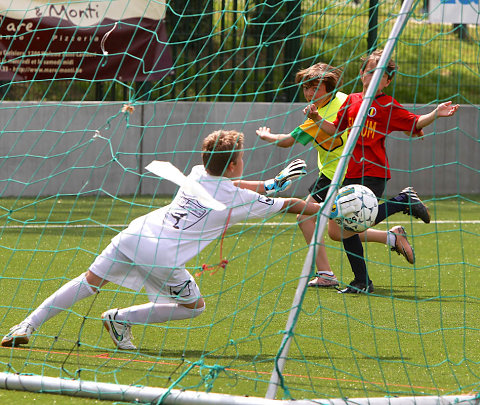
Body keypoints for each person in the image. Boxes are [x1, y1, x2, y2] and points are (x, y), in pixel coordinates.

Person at [1, 130, 319, 350]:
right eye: (241, 156)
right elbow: (290, 205)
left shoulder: (197, 172)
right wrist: (330, 208)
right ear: (235, 162)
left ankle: (25, 325)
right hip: (162, 256)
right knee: (194, 307)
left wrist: (271, 183)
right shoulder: (236, 199)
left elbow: (231, 183)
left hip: (135, 234)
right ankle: (119, 319)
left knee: (88, 283)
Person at [306, 49, 459, 293]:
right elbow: (334, 130)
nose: (375, 77)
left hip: (374, 172)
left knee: (348, 225)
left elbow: (414, 122)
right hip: (351, 173)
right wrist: (315, 118)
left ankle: (363, 279)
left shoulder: (387, 105)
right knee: (340, 231)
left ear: (388, 81)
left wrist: (435, 114)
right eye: (370, 71)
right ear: (361, 74)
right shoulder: (351, 101)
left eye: (382, 74)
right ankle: (364, 278)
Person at [257, 62, 415, 289]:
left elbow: (288, 142)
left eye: (315, 88)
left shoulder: (322, 114)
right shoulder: (346, 98)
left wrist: (266, 136)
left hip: (336, 175)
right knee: (337, 231)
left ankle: (327, 274)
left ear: (329, 88)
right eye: (306, 88)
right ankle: (392, 237)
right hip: (340, 172)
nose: (310, 93)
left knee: (306, 217)